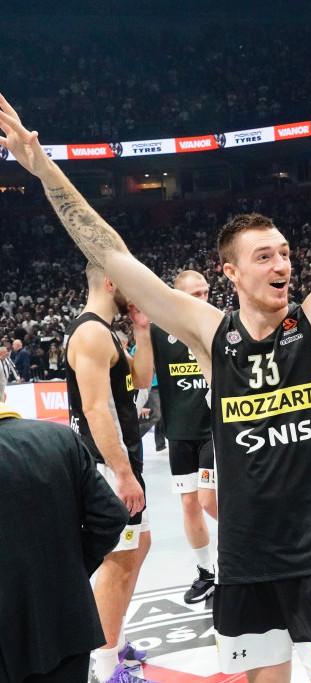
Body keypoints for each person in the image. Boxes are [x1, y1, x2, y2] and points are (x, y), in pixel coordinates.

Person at [0, 44, 311, 683]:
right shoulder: (209, 333)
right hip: (246, 557)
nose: (282, 264)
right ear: (231, 273)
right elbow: (113, 256)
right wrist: (45, 171)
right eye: (264, 256)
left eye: (285, 253)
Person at [0, 371, 129, 683]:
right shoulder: (61, 439)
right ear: (3, 392)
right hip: (67, 619)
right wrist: (71, 567)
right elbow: (111, 516)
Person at [60, 263, 154, 683]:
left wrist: (143, 330)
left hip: (122, 461)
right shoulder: (91, 333)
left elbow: (142, 379)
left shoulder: (108, 332)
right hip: (107, 466)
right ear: (111, 281)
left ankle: (115, 641)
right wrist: (123, 474)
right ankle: (106, 666)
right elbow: (95, 409)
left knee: (138, 547)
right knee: (118, 563)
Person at [149, 270, 218, 604]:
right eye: (195, 295)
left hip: (214, 431)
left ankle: (257, 545)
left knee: (208, 500)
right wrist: (139, 330)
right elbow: (143, 375)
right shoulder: (157, 330)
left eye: (206, 293)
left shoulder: (219, 326)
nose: (203, 300)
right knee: (190, 505)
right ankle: (207, 572)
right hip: (178, 433)